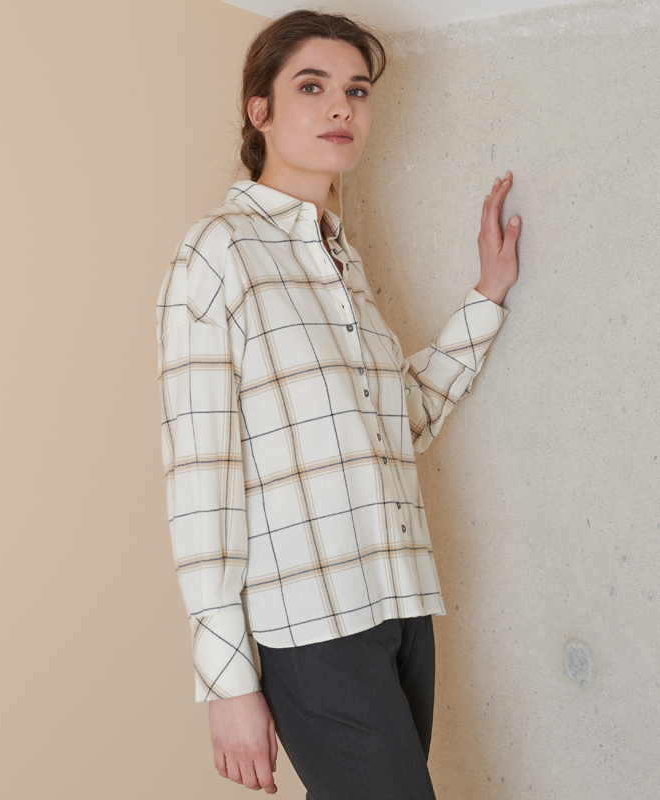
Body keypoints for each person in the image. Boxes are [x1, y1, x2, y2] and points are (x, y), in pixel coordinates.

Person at [155, 8, 520, 799]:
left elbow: (398, 420)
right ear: (260, 108)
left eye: (356, 91)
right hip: (311, 625)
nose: (340, 108)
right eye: (311, 86)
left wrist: (486, 296)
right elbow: (200, 478)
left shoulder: (338, 257)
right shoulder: (218, 252)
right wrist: (227, 680)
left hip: (400, 604)